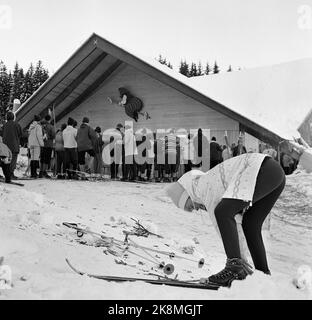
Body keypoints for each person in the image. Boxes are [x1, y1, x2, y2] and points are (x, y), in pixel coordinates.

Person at [166, 152, 286, 287]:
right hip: (274, 172)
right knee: (250, 224)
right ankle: (263, 275)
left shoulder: (202, 187)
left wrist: (240, 262)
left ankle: (234, 269)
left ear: (188, 194)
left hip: (261, 169)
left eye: (190, 206)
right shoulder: (208, 182)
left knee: (222, 212)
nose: (196, 209)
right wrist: (243, 262)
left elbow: (221, 222)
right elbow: (236, 222)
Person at [2, 111, 22, 179]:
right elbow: (20, 134)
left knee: (6, 160)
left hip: (5, 146)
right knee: (13, 160)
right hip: (14, 145)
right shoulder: (17, 124)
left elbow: (1, 134)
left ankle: (7, 174)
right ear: (13, 117)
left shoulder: (4, 125)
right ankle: (11, 173)